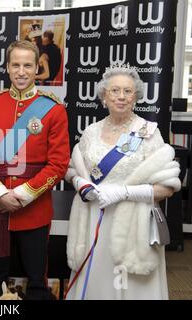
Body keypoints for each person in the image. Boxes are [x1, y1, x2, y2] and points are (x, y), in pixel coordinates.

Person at [65, 63, 181, 300]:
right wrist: (80, 184)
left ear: (136, 96)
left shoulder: (148, 132)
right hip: (93, 222)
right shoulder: (91, 132)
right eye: (115, 91)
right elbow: (71, 170)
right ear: (104, 97)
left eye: (128, 91)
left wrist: (123, 192)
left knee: (129, 285)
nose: (121, 97)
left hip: (132, 226)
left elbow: (167, 187)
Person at [0, 40, 70, 300]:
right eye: (15, 65)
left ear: (37, 67)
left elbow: (59, 164)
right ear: (7, 67)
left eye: (28, 65)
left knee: (37, 280)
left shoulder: (54, 109)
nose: (21, 71)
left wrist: (22, 195)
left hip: (34, 208)